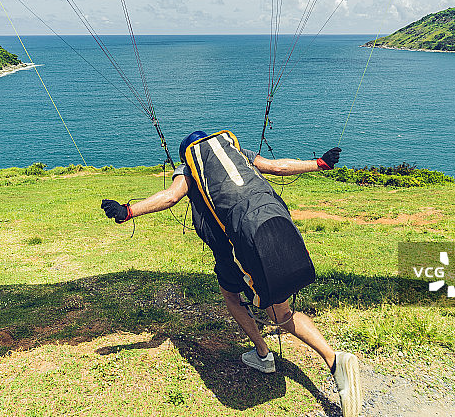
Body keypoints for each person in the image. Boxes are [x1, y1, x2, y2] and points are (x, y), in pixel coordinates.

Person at [101, 130, 362, 416]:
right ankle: (313, 357)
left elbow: (170, 197)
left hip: (235, 251)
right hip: (270, 232)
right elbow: (278, 167)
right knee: (280, 309)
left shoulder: (190, 168)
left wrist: (128, 211)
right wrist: (320, 163)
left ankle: (303, 357)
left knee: (242, 300)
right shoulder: (238, 154)